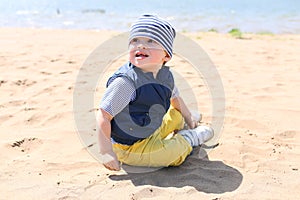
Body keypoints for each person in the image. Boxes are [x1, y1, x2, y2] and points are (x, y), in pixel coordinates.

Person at [96, 14, 214, 171]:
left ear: (166, 55)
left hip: (152, 126)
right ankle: (190, 138)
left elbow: (176, 99)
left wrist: (188, 117)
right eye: (135, 40)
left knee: (176, 113)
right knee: (172, 155)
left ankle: (186, 122)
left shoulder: (165, 77)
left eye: (151, 41)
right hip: (130, 147)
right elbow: (104, 115)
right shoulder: (126, 83)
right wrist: (106, 152)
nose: (141, 46)